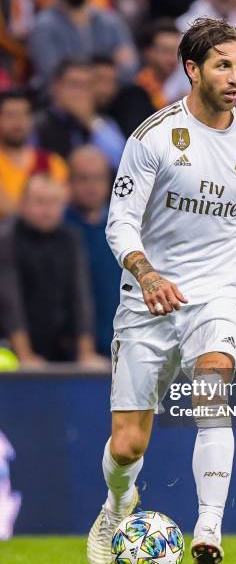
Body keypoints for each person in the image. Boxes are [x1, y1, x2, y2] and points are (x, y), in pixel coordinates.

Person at [87, 17, 236, 564]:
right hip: (148, 297)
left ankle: (208, 528)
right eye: (222, 65)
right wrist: (148, 274)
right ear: (192, 69)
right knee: (128, 446)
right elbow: (120, 224)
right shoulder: (153, 137)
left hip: (220, 289)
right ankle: (118, 503)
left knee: (212, 388)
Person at [7, 174, 107, 366]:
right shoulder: (7, 239)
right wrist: (25, 355)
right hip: (12, 350)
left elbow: (80, 296)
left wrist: (85, 353)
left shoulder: (71, 238)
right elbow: (10, 301)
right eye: (39, 202)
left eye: (54, 203)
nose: (47, 210)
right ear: (23, 203)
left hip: (61, 347)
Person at [66, 145, 121, 357]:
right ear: (69, 182)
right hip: (70, 354)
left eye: (98, 178)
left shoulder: (125, 229)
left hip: (119, 345)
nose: (91, 187)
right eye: (83, 178)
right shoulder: (58, 229)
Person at [29, 0, 138, 89]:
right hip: (63, 95)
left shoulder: (111, 21)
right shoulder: (44, 25)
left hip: (109, 92)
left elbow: (129, 69)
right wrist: (104, 72)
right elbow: (51, 73)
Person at [34, 60, 125, 169]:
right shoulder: (37, 124)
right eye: (74, 84)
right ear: (56, 87)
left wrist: (90, 120)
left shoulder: (101, 123)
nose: (80, 93)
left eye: (86, 86)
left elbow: (122, 163)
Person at [0, 89, 67, 219]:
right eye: (10, 115)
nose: (18, 122)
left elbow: (60, 207)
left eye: (24, 115)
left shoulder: (52, 162)